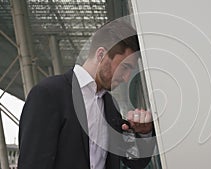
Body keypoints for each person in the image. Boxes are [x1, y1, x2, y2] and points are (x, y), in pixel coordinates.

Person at [18, 19, 155, 169]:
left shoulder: (110, 105)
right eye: (125, 67)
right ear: (101, 54)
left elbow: (135, 162)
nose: (127, 77)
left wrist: (144, 134)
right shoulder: (49, 94)